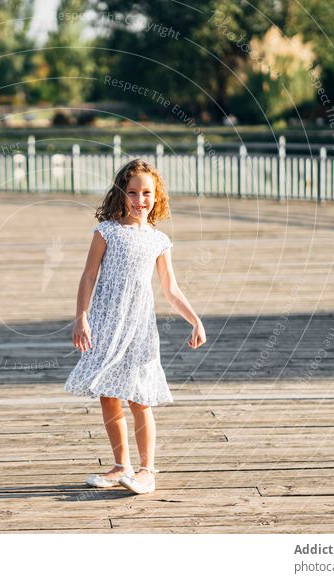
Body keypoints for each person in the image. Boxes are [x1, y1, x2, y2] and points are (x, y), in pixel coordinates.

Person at [63, 158, 206, 494]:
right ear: (121, 194)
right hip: (105, 324)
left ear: (157, 197)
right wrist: (81, 316)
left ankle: (146, 470)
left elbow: (170, 288)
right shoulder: (107, 231)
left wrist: (195, 319)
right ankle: (120, 465)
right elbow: (88, 275)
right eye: (132, 192)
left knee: (140, 398)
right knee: (109, 396)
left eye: (146, 193)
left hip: (139, 328)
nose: (140, 199)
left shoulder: (159, 240)